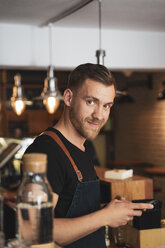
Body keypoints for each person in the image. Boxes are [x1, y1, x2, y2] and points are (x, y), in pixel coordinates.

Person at [25, 63, 153, 248]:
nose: (99, 115)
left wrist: (110, 211)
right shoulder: (47, 151)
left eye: (107, 105)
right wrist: (104, 216)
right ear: (68, 97)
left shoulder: (82, 148)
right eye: (91, 102)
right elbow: (34, 229)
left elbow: (69, 209)